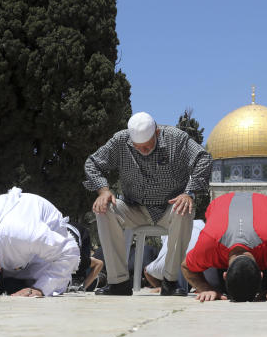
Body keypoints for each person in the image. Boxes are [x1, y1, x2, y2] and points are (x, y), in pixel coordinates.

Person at [84, 111, 211, 296]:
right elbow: (92, 164)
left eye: (147, 146)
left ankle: (170, 281)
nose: (143, 151)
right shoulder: (120, 140)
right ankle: (118, 281)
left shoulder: (176, 138)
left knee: (184, 209)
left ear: (157, 133)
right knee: (104, 209)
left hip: (169, 207)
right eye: (138, 147)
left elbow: (203, 159)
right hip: (133, 207)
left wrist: (189, 193)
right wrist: (103, 190)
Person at [181, 192, 267, 302]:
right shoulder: (209, 244)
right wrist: (205, 289)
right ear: (261, 274)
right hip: (225, 203)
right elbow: (186, 267)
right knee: (215, 286)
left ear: (225, 275)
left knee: (217, 286)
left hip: (255, 203)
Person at [145, 219, 204, 294]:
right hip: (203, 262)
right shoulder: (200, 222)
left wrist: (160, 286)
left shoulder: (169, 233)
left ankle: (167, 286)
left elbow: (147, 271)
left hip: (181, 264)